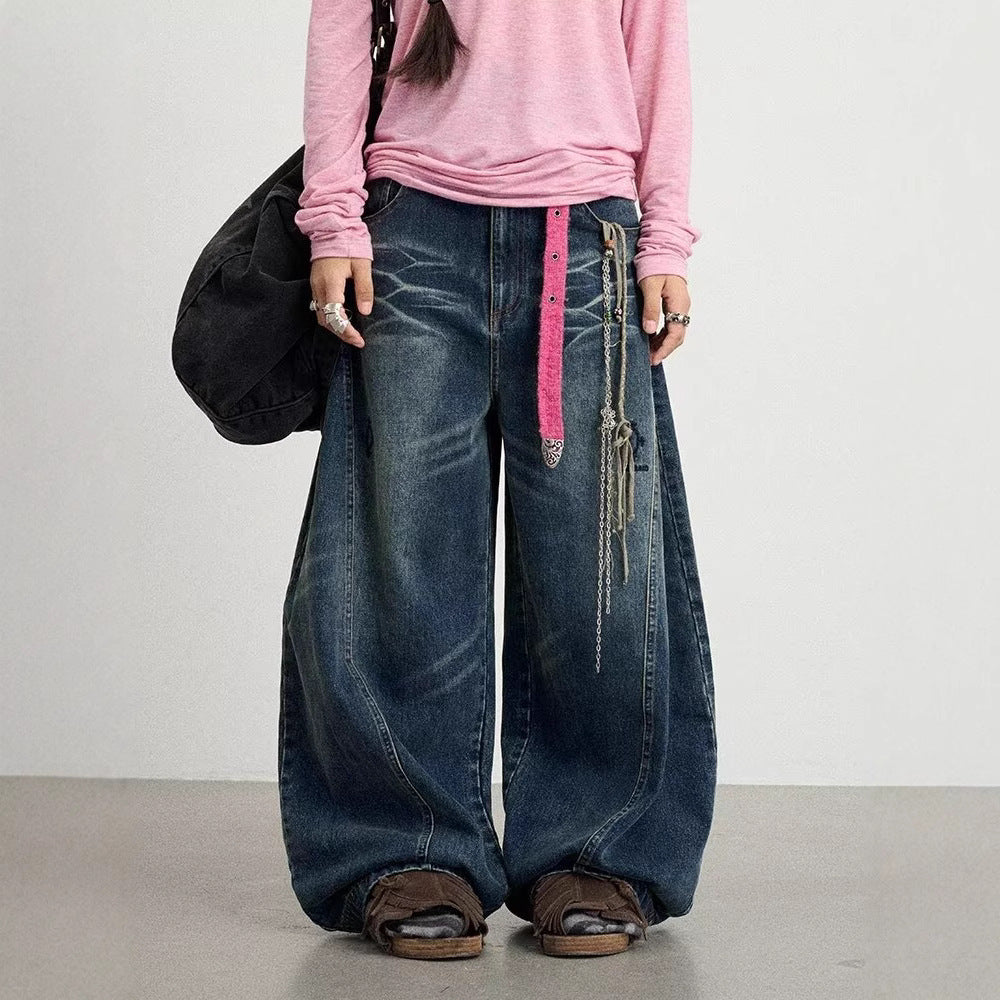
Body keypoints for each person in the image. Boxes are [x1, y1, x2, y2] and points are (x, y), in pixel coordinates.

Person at [282, 0, 718, 960]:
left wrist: (666, 238)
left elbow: (656, 43)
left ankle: (596, 849)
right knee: (403, 558)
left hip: (589, 239)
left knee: (599, 569)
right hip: (410, 230)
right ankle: (406, 848)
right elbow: (341, 24)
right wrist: (334, 218)